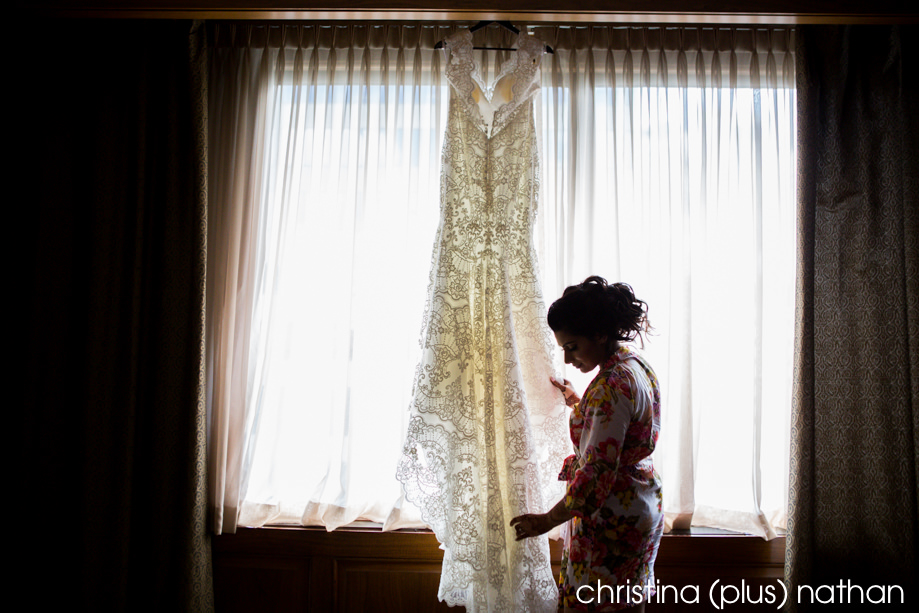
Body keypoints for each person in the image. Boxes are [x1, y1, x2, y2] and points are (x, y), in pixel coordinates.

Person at [510, 276, 664, 612]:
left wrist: (544, 521)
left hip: (611, 518)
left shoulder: (610, 386)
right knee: (626, 602)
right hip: (639, 504)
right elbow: (622, 429)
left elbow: (594, 478)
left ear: (599, 334)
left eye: (572, 347)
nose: (567, 360)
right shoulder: (634, 366)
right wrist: (579, 403)